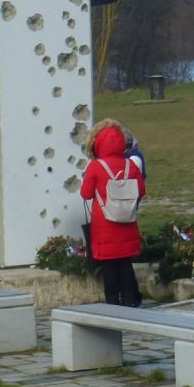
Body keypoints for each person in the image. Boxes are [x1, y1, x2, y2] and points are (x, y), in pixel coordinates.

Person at [81, 119, 146, 307]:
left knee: (109, 266)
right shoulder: (130, 165)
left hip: (104, 224)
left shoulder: (95, 167)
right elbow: (141, 191)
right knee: (125, 263)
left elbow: (85, 194)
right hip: (127, 221)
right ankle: (130, 300)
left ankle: (112, 303)